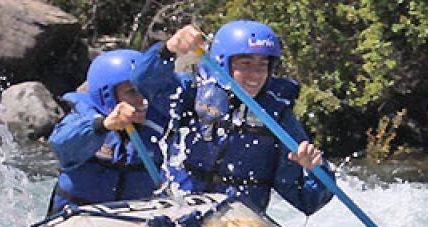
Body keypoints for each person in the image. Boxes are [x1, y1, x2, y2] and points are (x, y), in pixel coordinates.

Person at [131, 20, 335, 215]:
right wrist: (169, 48)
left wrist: (316, 170)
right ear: (222, 62)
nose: (254, 75)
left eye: (262, 65)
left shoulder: (277, 117)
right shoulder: (191, 92)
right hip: (183, 210)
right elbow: (144, 82)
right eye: (245, 64)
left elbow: (307, 200)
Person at [47, 49, 167, 216]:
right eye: (132, 92)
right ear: (107, 95)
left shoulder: (161, 122)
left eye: (145, 89)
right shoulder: (83, 118)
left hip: (134, 220)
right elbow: (60, 145)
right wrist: (104, 125)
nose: (143, 100)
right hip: (77, 218)